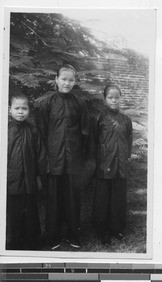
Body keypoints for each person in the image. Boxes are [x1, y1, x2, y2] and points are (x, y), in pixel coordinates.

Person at [35, 64, 89, 250]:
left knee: (73, 198)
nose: (67, 83)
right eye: (63, 79)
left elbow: (85, 132)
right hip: (53, 159)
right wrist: (45, 161)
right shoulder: (46, 103)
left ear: (75, 81)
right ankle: (54, 236)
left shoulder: (80, 103)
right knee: (54, 199)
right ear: (56, 79)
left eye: (71, 80)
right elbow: (41, 133)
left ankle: (74, 234)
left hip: (73, 159)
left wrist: (83, 160)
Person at [92, 84, 132, 245]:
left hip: (121, 165)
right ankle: (103, 230)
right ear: (105, 99)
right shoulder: (99, 117)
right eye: (110, 97)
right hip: (105, 165)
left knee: (118, 198)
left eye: (117, 97)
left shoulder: (126, 119)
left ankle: (117, 228)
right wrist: (98, 161)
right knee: (103, 199)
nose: (114, 100)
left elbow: (128, 140)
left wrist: (126, 158)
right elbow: (94, 141)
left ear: (120, 98)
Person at [6, 94, 46, 250]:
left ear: (29, 111)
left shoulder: (33, 131)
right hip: (11, 180)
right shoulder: (5, 130)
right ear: (10, 110)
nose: (20, 112)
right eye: (17, 108)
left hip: (29, 180)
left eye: (24, 108)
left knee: (29, 211)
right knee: (13, 212)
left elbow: (40, 156)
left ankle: (31, 241)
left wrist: (39, 177)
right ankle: (12, 241)